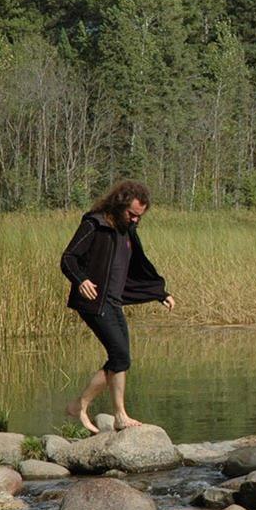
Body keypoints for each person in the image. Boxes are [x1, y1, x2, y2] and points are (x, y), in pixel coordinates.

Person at [60, 180, 175, 434]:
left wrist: (158, 293)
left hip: (113, 302)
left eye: (139, 217)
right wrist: (81, 280)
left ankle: (120, 415)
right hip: (93, 302)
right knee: (120, 357)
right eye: (132, 214)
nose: (135, 220)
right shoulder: (95, 223)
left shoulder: (126, 230)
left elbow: (139, 267)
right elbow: (68, 258)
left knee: (120, 358)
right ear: (119, 204)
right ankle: (80, 405)